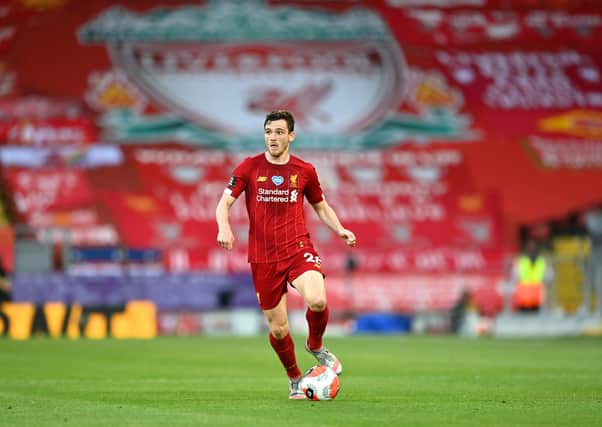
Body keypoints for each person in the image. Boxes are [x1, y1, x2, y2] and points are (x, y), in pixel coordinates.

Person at [215, 110, 356, 399]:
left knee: (317, 300)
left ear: (291, 135)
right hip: (263, 258)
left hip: (297, 248)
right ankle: (294, 379)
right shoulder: (248, 168)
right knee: (279, 330)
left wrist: (339, 228)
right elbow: (224, 203)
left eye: (279, 132)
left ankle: (315, 344)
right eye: (269, 132)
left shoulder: (304, 170)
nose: (273, 137)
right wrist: (224, 228)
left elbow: (321, 206)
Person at [511, 239, 553, 313]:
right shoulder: (520, 260)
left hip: (538, 296)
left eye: (533, 247)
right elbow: (514, 277)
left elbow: (549, 277)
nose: (531, 249)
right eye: (529, 247)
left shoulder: (542, 260)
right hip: (523, 297)